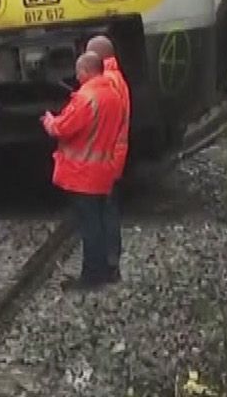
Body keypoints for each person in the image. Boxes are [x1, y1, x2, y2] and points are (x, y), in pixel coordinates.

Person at [41, 52, 126, 290]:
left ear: (87, 71)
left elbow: (63, 128)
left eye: (79, 72)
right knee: (99, 221)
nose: (77, 77)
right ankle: (105, 271)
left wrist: (49, 121)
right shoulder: (114, 95)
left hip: (83, 173)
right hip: (103, 170)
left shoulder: (86, 98)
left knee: (89, 226)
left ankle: (91, 277)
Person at [85, 34, 130, 281]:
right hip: (114, 152)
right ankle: (110, 264)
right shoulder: (117, 78)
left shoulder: (107, 82)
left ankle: (107, 266)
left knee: (104, 211)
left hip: (107, 156)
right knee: (108, 209)